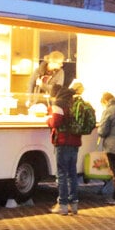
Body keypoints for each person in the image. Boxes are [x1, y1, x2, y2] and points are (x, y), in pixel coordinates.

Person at [46, 82, 84, 215]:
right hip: (75, 142)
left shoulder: (58, 103)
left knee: (62, 173)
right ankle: (74, 204)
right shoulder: (73, 102)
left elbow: (56, 122)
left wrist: (48, 120)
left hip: (63, 142)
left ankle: (62, 204)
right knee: (72, 174)